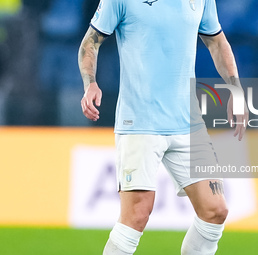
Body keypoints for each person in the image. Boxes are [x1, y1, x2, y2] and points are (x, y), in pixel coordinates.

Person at [78, 0, 249, 254]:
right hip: (140, 122)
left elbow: (217, 41)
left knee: (215, 211)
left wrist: (235, 88)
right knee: (137, 214)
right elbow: (90, 42)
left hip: (188, 124)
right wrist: (90, 83)